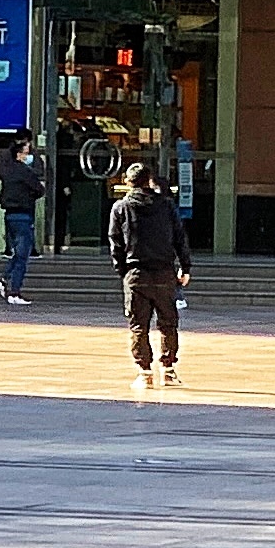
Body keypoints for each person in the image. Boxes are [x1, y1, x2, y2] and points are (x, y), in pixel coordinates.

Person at [108, 161, 189, 394]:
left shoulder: (121, 208)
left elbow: (116, 244)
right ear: (149, 181)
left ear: (128, 182)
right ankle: (169, 368)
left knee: (138, 325)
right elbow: (179, 238)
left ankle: (145, 372)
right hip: (164, 272)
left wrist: (123, 271)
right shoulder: (166, 206)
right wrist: (185, 266)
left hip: (136, 273)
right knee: (168, 322)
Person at [0, 139, 47, 304]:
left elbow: (1, 196)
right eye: (26, 152)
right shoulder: (26, 172)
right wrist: (29, 196)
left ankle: (4, 279)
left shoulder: (8, 172)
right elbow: (40, 190)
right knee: (22, 256)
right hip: (23, 215)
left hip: (10, 215)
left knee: (18, 253)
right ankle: (14, 292)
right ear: (19, 154)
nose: (29, 155)